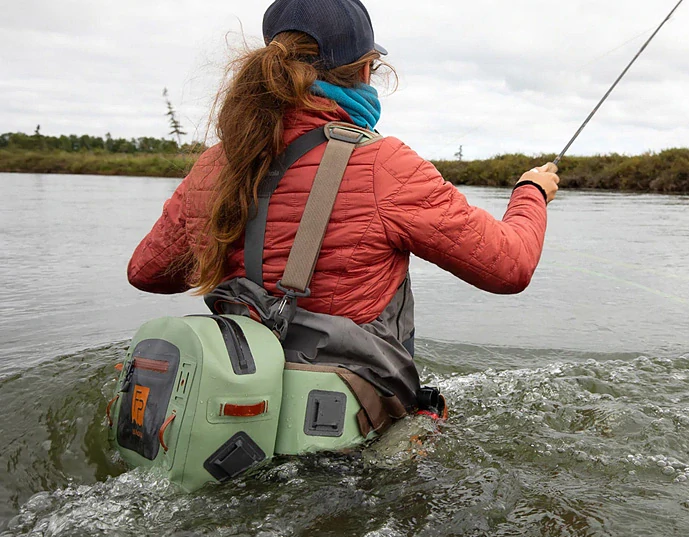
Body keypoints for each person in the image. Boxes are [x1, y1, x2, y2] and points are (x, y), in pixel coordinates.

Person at [126, 0, 559, 413]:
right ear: (367, 68)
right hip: (351, 438)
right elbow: (510, 266)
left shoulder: (215, 165)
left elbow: (146, 272)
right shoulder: (384, 164)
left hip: (232, 413)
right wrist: (531, 192)